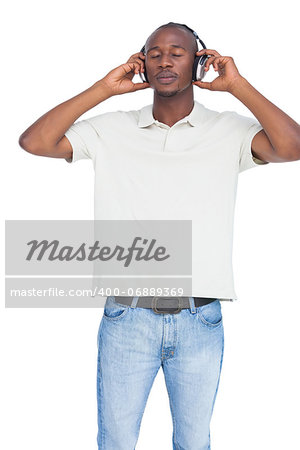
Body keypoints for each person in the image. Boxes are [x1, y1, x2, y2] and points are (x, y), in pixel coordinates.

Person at [19, 21, 300, 450]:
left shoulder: (229, 130)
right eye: (154, 53)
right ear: (142, 65)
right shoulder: (111, 128)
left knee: (194, 443)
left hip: (199, 318)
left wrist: (238, 85)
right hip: (126, 318)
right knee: (115, 441)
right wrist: (103, 89)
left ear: (198, 62)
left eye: (177, 52)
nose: (165, 59)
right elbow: (35, 141)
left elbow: (292, 146)